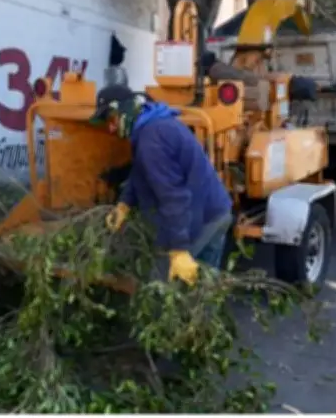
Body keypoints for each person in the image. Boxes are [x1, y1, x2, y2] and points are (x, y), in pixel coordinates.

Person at [91, 85, 233, 286]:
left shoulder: (152, 140)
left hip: (200, 220)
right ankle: (200, 315)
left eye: (112, 119)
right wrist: (124, 204)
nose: (111, 128)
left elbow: (174, 197)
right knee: (203, 290)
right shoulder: (154, 126)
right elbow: (140, 172)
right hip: (215, 211)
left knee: (160, 287)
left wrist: (179, 249)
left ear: (126, 110)